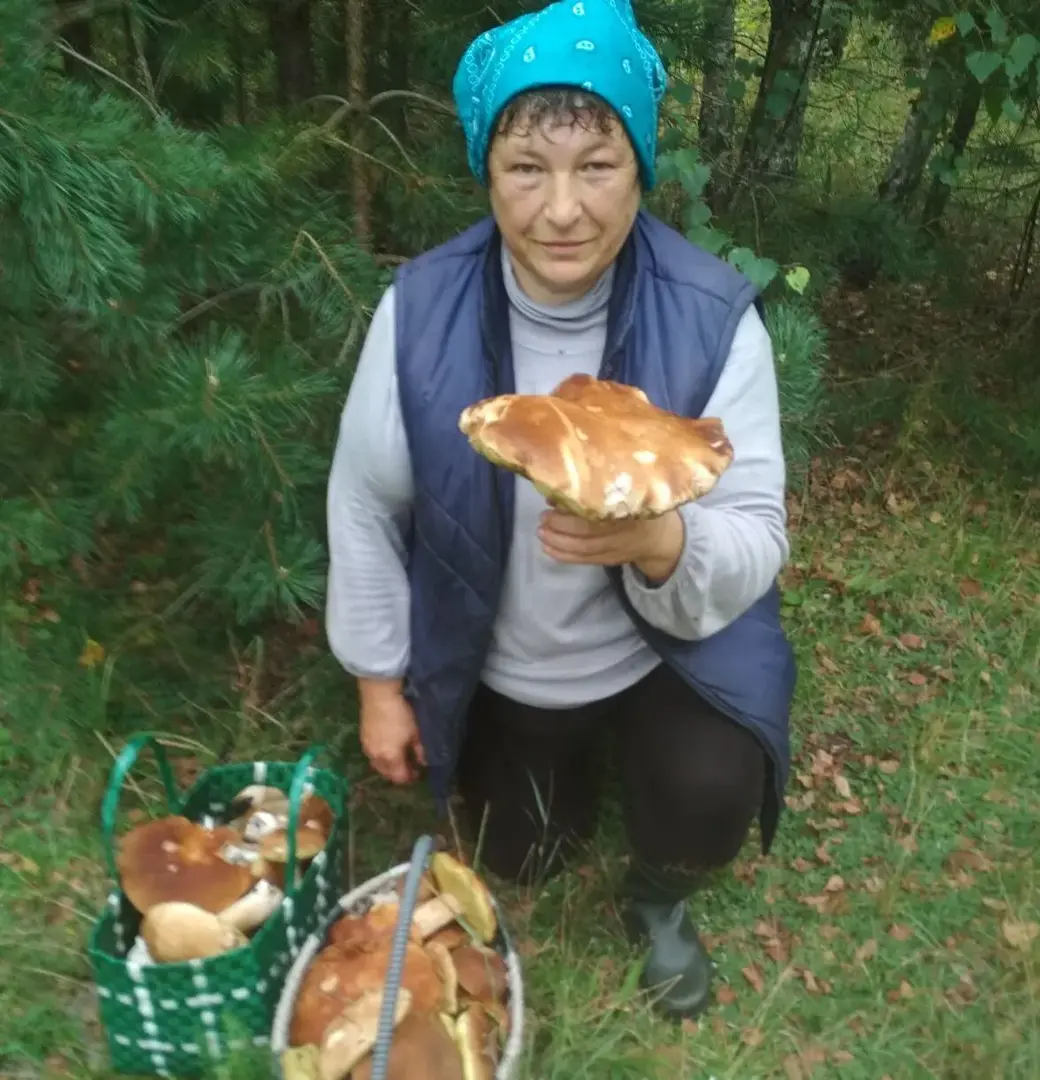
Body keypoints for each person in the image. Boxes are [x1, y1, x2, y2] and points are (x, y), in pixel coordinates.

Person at [325, 0, 797, 1020]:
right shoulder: (418, 309)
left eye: (597, 166)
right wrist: (377, 681)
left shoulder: (711, 313)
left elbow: (758, 529)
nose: (561, 210)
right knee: (520, 852)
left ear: (640, 169)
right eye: (525, 167)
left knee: (709, 792)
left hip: (659, 656)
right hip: (502, 661)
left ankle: (659, 894)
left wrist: (661, 539)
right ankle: (551, 771)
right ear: (484, 172)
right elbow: (364, 502)